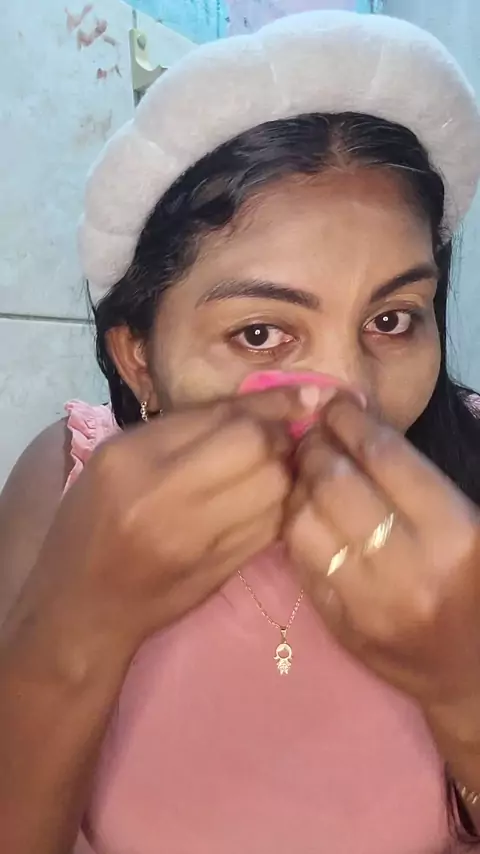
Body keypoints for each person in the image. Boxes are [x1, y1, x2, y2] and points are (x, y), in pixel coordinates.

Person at [2, 9, 480, 854]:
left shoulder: (466, 480)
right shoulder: (73, 477)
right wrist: (79, 627)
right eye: (261, 333)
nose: (345, 397)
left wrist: (463, 688)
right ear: (139, 361)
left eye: (392, 320)